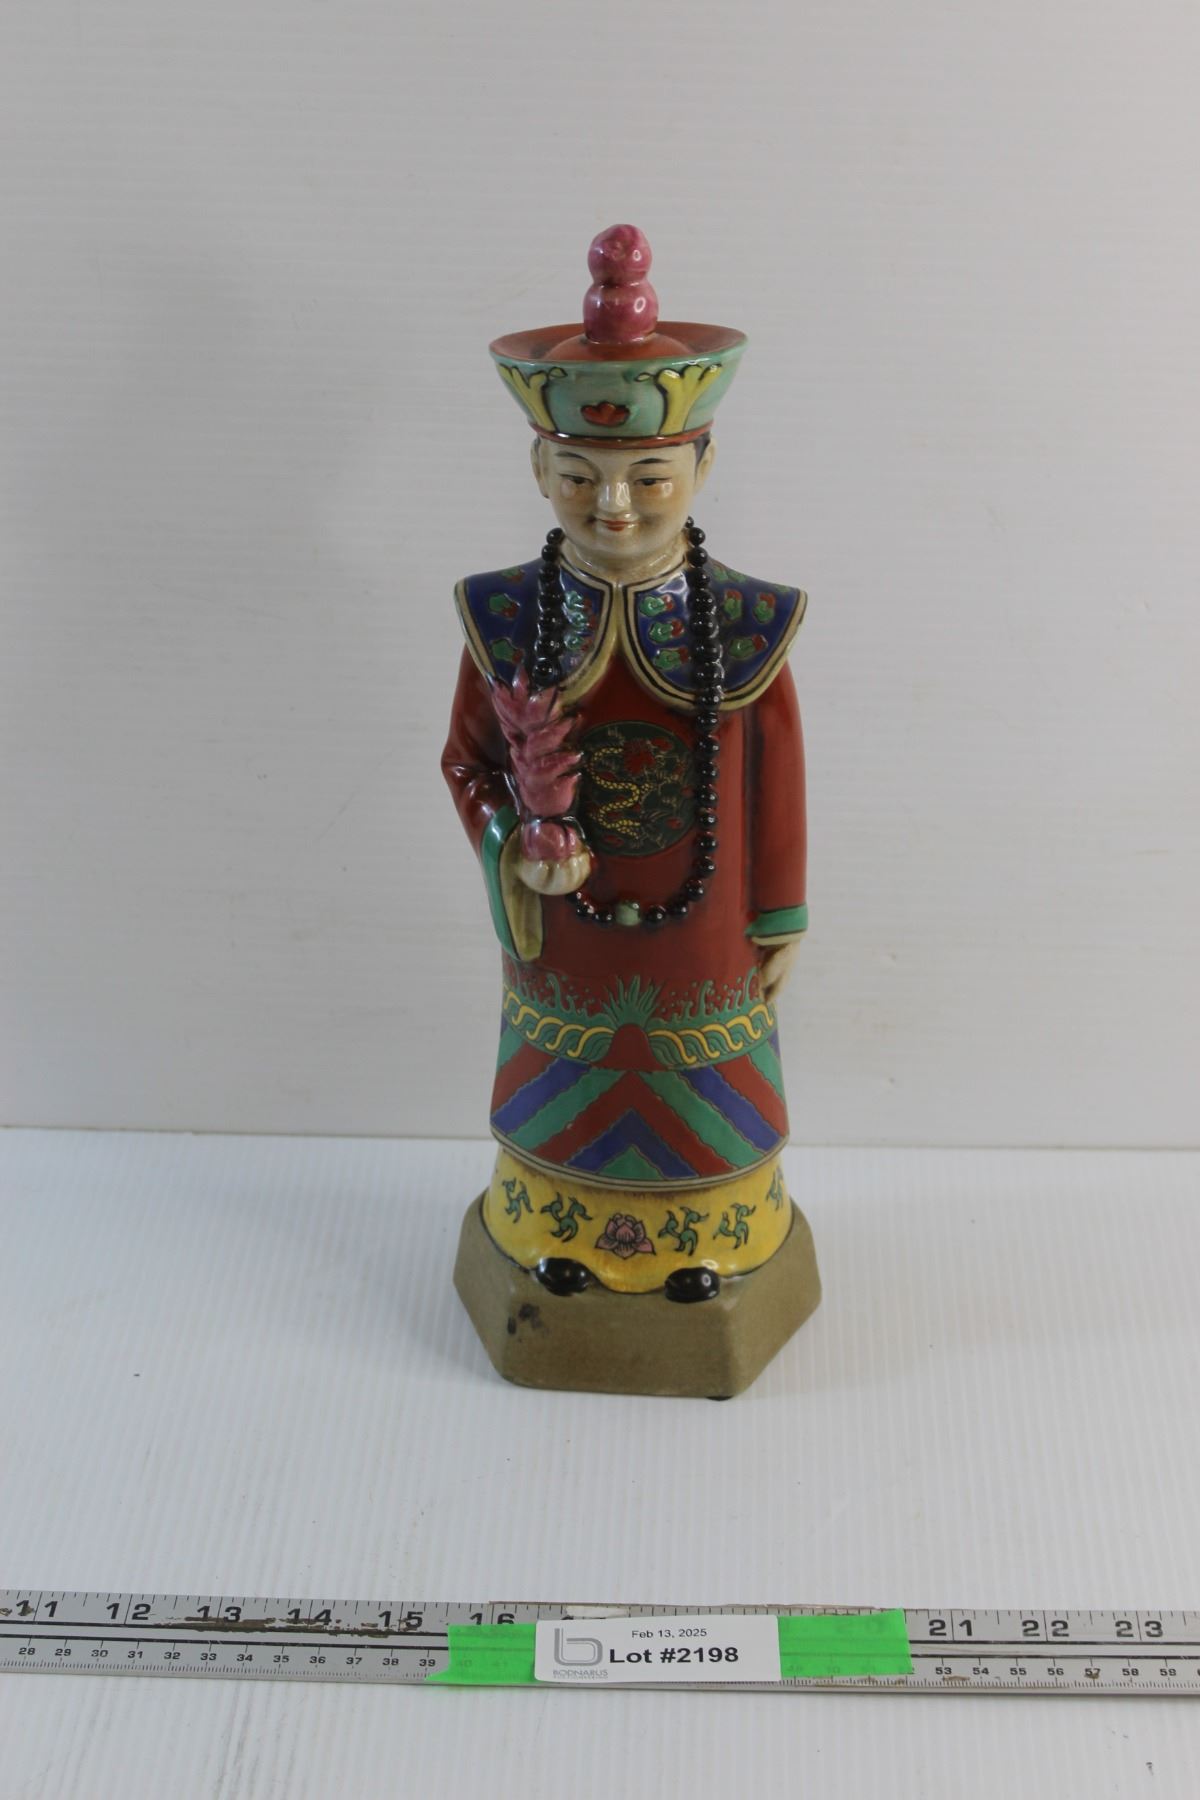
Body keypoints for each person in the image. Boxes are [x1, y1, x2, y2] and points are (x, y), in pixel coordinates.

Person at [442, 225, 819, 1391]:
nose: (613, 506)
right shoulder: (505, 621)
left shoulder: (746, 626)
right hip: (566, 936)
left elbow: (778, 772)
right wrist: (515, 845)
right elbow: (467, 763)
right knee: (569, 1068)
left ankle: (712, 1244)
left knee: (700, 1072)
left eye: (648, 478)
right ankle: (550, 1237)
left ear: (700, 467)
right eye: (580, 477)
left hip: (703, 936)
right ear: (539, 471)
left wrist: (780, 917)